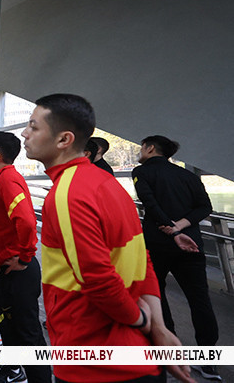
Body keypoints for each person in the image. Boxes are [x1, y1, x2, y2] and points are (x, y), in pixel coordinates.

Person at [21, 93, 192, 383]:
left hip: (93, 361)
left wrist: (140, 319)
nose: (25, 133)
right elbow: (142, 260)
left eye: (33, 126)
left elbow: (97, 277)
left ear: (64, 139)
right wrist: (158, 327)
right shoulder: (109, 185)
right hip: (139, 357)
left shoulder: (67, 194)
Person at [132, 135, 220, 381]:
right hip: (191, 244)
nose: (140, 152)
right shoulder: (188, 176)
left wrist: (170, 227)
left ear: (150, 148)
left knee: (156, 295)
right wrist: (181, 225)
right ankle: (208, 361)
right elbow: (205, 207)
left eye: (142, 147)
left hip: (157, 244)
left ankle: (169, 350)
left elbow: (149, 203)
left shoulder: (142, 172)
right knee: (200, 300)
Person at [0, 131, 51, 383]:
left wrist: (24, 257)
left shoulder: (8, 180)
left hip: (18, 270)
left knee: (28, 334)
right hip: (7, 267)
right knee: (14, 330)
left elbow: (27, 221)